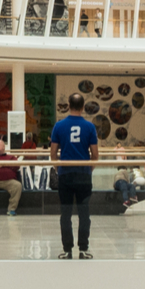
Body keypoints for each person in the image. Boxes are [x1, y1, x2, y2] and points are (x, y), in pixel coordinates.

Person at [50, 92, 100, 259]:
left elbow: (53, 153)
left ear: (69, 106)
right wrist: (89, 169)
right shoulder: (90, 127)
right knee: (84, 213)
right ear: (83, 106)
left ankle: (67, 250)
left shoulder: (59, 126)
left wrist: (58, 169)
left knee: (65, 213)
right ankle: (83, 249)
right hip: (84, 175)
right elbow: (95, 154)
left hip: (65, 174)